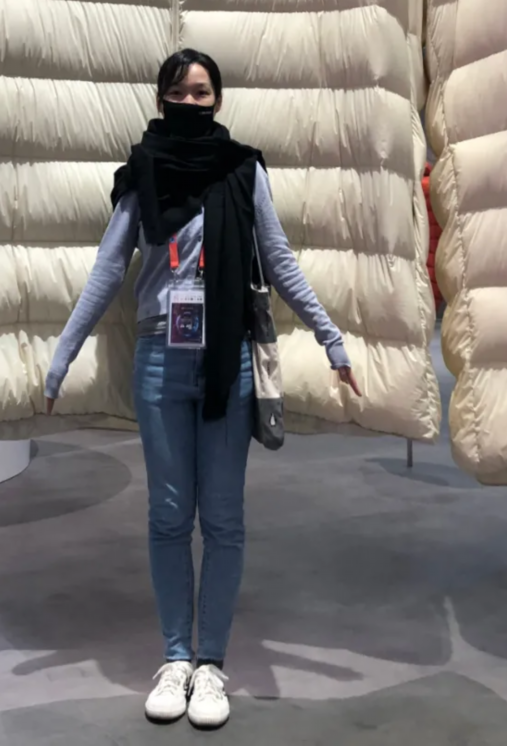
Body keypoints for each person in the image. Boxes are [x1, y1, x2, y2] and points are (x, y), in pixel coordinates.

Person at [45, 49, 360, 729]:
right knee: (167, 515)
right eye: (179, 92)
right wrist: (63, 353)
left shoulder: (243, 170)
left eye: (202, 92)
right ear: (160, 98)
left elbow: (278, 260)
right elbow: (108, 268)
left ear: (218, 100)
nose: (190, 103)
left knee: (222, 519)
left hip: (229, 364)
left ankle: (212, 664)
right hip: (160, 360)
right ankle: (175, 658)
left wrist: (331, 337)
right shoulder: (142, 172)